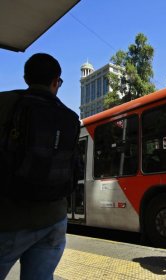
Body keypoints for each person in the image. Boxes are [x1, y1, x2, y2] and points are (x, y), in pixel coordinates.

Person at [0, 53, 80, 280]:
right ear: (57, 81)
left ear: (26, 78)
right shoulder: (71, 117)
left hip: (8, 217)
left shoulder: (6, 103)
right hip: (53, 218)